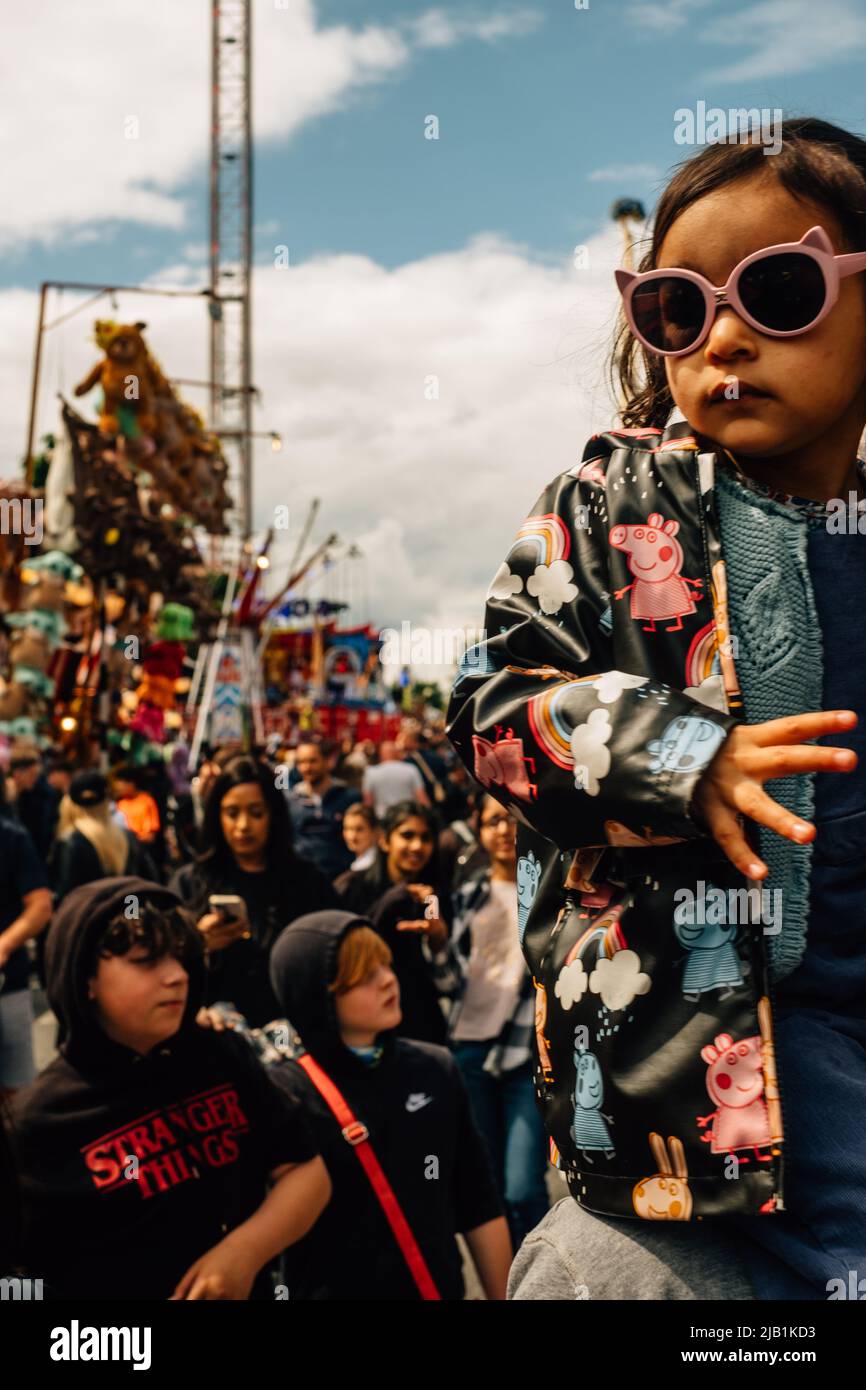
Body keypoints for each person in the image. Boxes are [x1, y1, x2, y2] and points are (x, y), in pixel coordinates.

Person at [447, 117, 866, 1299]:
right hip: (692, 1040)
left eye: (777, 290)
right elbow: (488, 711)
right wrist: (683, 755)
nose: (722, 336)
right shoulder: (602, 503)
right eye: (677, 310)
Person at [9, 878, 331, 1300]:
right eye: (146, 961)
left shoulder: (220, 1055)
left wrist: (243, 1253)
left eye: (182, 958)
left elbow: (308, 1173)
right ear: (84, 978)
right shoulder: (35, 1121)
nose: (176, 976)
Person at [267, 909, 511, 1299]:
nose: (387, 980)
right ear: (316, 996)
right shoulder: (285, 1092)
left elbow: (477, 1201)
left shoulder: (434, 1067)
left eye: (385, 964)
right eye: (363, 976)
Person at [446, 796, 549, 1249]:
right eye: (492, 821)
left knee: (522, 1187)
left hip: (526, 1053)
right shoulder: (466, 897)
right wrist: (434, 943)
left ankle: (549, 1275)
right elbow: (448, 978)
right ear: (478, 830)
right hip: (470, 1048)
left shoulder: (549, 893)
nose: (504, 830)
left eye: (512, 819)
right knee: (488, 1189)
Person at [171, 755, 338, 1028]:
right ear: (217, 816)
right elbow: (162, 962)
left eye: (256, 813)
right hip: (215, 1040)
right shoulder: (190, 882)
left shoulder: (307, 882)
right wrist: (198, 943)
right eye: (232, 813)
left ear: (273, 815)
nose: (243, 826)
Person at [336, 800, 453, 1043]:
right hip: (364, 1024)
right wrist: (390, 902)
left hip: (419, 1025)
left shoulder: (433, 895)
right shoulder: (351, 887)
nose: (417, 846)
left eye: (425, 838)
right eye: (407, 835)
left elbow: (448, 982)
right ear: (385, 840)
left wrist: (438, 939)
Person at [0, 770, 52, 1094]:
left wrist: (4, 944)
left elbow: (42, 904)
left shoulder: (11, 836)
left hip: (9, 985)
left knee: (17, 1090)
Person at [49, 770, 156, 903]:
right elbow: (146, 883)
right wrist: (131, 916)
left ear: (70, 803)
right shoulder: (128, 837)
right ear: (106, 800)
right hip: (126, 915)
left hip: (90, 919)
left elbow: (65, 895)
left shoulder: (70, 842)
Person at [286, 739, 361, 879]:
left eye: (312, 761)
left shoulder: (349, 798)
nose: (306, 767)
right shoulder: (290, 801)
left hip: (341, 878)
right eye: (301, 762)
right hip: (301, 880)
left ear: (327, 761)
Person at [7, 747, 60, 871]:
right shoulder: (7, 799)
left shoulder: (37, 796)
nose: (35, 780)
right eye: (32, 775)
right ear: (17, 774)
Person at [362, 740, 428, 818]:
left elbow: (368, 802)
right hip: (408, 816)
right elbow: (421, 797)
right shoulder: (410, 769)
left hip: (382, 817)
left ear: (381, 754)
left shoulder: (370, 772)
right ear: (396, 753)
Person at [111, 765, 161, 847]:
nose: (118, 791)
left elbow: (150, 836)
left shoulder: (146, 801)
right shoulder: (120, 804)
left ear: (131, 783)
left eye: (120, 788)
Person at [341, 802, 379, 872]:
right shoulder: (358, 863)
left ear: (374, 832)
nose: (352, 836)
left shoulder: (373, 865)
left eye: (359, 829)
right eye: (347, 828)